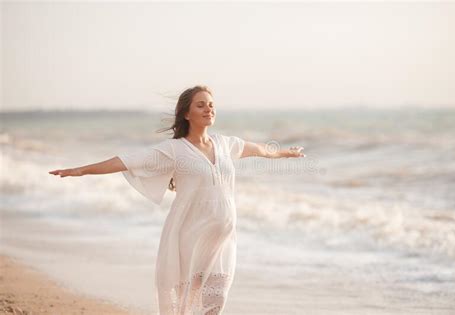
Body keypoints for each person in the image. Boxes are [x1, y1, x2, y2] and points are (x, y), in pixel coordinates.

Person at [48, 85, 305, 315]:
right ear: (186, 113)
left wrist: (286, 153)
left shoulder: (227, 144)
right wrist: (80, 170)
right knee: (188, 299)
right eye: (201, 105)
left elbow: (261, 149)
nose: (208, 109)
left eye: (211, 105)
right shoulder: (175, 150)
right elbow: (127, 160)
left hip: (224, 237)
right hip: (190, 232)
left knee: (217, 298)